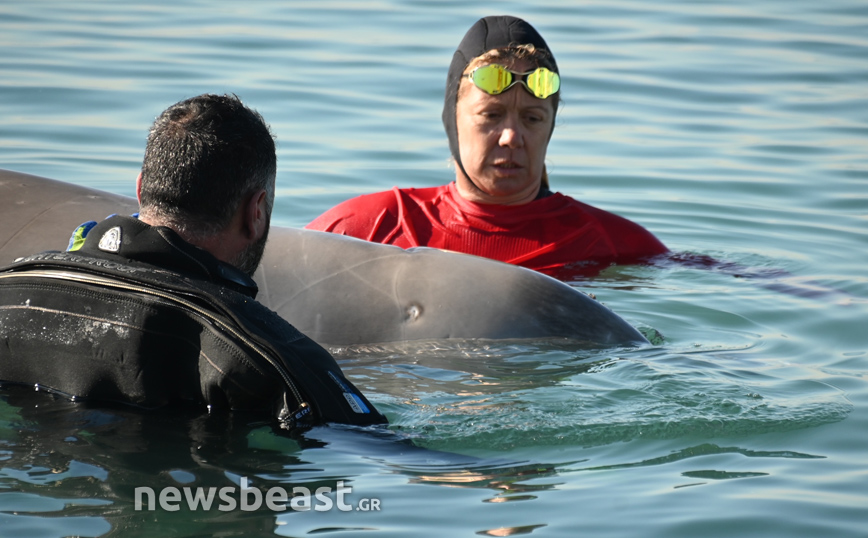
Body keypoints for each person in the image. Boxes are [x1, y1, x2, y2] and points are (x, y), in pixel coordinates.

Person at [0, 94, 385, 430]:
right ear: (256, 212)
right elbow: (371, 449)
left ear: (140, 189)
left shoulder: (9, 293)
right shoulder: (273, 360)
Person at [306, 15, 668, 279]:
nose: (511, 137)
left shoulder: (616, 246)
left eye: (532, 119)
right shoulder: (368, 228)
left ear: (550, 128)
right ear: (453, 120)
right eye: (491, 115)